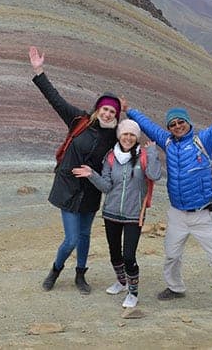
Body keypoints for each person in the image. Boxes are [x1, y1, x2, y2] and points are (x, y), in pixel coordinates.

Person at [123, 86, 212, 320]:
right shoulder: (167, 142)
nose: (177, 126)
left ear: (188, 123)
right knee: (171, 254)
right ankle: (175, 287)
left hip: (204, 214)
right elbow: (149, 126)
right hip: (178, 213)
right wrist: (130, 111)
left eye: (181, 122)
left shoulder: (204, 140)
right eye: (172, 124)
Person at [29, 46, 120, 294]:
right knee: (71, 239)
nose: (108, 113)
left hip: (91, 190)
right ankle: (56, 270)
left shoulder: (115, 137)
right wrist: (39, 72)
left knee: (85, 235)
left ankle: (81, 276)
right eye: (105, 108)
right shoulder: (79, 121)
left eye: (113, 111)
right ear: (98, 108)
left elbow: (130, 145)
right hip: (68, 187)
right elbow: (55, 99)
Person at [72, 119, 161, 308]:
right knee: (114, 253)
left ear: (136, 137)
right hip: (111, 212)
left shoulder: (144, 156)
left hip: (134, 214)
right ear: (119, 135)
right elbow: (106, 186)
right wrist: (91, 175)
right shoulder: (111, 157)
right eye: (124, 134)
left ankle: (133, 292)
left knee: (129, 255)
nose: (128, 138)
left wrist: (153, 152)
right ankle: (121, 282)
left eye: (132, 135)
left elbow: (154, 175)